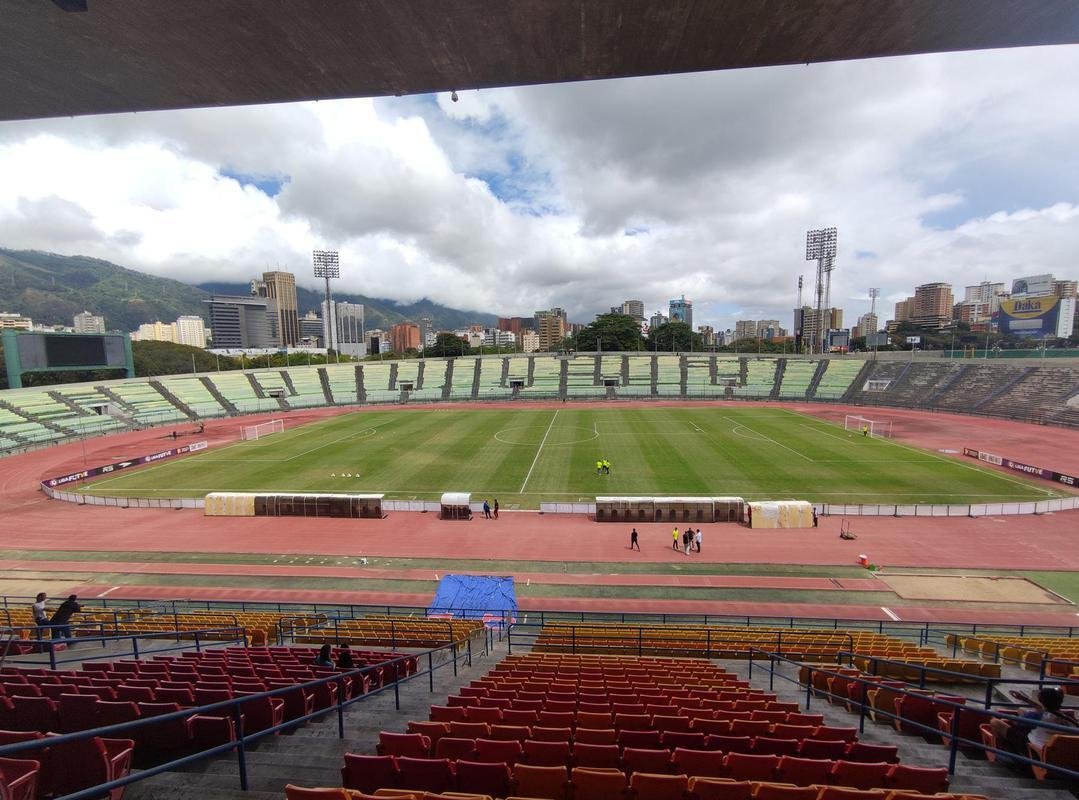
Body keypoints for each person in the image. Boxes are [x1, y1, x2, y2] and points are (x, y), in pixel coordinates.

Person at [990, 686, 1076, 757]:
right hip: (1057, 753)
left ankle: (1010, 755)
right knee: (1021, 712)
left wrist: (1012, 718)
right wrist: (1024, 699)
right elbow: (1043, 709)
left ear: (1042, 701)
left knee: (995, 722)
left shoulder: (1037, 716)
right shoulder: (1068, 718)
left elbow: (1017, 722)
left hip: (1035, 751)